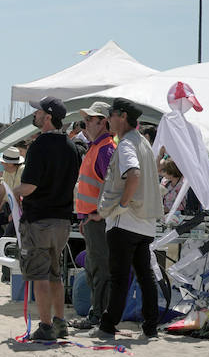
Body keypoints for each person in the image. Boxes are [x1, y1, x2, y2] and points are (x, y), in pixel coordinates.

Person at [91, 98, 165, 340]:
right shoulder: (144, 143)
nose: (108, 119)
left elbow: (133, 174)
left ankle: (108, 325)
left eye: (111, 114)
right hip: (145, 223)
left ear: (122, 116)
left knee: (120, 278)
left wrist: (122, 204)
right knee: (145, 275)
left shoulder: (126, 144)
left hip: (125, 221)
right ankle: (150, 326)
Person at [13, 96, 80, 341]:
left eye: (39, 112)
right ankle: (60, 322)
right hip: (62, 220)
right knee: (54, 274)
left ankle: (45, 326)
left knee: (39, 275)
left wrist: (12, 192)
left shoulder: (40, 145)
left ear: (48, 116)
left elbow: (30, 186)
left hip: (39, 219)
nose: (35, 115)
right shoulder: (71, 146)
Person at [72, 101, 116, 329]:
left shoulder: (105, 149)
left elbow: (113, 187)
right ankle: (98, 314)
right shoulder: (97, 148)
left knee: (99, 269)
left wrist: (97, 213)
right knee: (94, 268)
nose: (85, 123)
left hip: (100, 220)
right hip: (93, 219)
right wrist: (85, 217)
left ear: (103, 122)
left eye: (90, 119)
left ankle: (98, 315)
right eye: (86, 119)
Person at [0, 147, 26, 258]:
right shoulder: (7, 172)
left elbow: (26, 196)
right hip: (10, 207)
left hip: (23, 209)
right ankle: (3, 247)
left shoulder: (23, 171)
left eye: (3, 161)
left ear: (10, 163)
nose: (1, 163)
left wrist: (17, 210)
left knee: (15, 222)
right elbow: (1, 193)